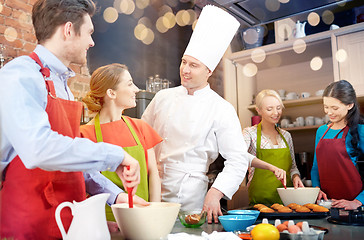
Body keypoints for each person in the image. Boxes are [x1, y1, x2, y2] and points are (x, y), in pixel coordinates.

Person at [0, 1, 143, 239]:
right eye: (89, 33)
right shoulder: (19, 75)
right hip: (28, 226)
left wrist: (113, 196)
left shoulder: (61, 85)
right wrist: (115, 155)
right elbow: (39, 149)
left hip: (66, 222)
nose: (92, 42)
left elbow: (69, 159)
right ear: (68, 30)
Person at [142, 5, 286, 223]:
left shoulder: (221, 108)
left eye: (193, 65)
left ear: (209, 71)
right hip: (151, 188)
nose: (185, 70)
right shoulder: (162, 97)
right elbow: (141, 137)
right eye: (183, 62)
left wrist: (216, 191)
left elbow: (237, 159)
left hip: (189, 194)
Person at [80, 63, 162, 221]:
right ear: (111, 93)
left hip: (143, 218)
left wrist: (154, 213)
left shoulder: (140, 127)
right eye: (130, 84)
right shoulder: (84, 134)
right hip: (104, 221)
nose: (136, 89)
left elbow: (153, 175)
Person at [243, 89, 304, 206]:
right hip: (260, 203)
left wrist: (296, 176)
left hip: (288, 202)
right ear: (258, 110)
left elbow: (293, 167)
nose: (275, 113)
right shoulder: (249, 133)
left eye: (278, 108)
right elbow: (240, 156)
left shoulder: (286, 136)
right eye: (269, 109)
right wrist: (271, 167)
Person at [311, 80, 364, 210]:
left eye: (335, 108)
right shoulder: (321, 131)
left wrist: (358, 202)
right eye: (326, 107)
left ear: (350, 105)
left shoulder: (360, 130)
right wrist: (316, 189)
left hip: (355, 207)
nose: (329, 112)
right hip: (327, 205)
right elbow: (315, 167)